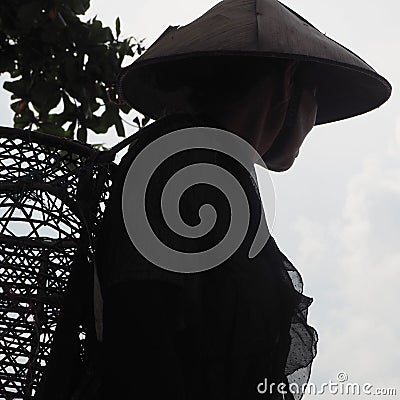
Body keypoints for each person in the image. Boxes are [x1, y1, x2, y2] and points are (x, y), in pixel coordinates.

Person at [96, 1, 391, 399]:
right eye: (313, 94)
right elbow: (142, 327)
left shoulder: (217, 173)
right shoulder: (179, 158)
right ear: (287, 82)